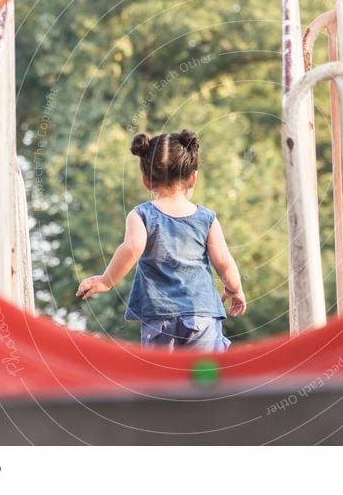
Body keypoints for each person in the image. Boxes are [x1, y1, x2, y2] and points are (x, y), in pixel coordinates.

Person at [76, 129, 246, 352]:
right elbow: (223, 261)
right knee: (205, 379)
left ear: (146, 180)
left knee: (163, 381)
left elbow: (132, 248)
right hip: (201, 314)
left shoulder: (141, 215)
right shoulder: (207, 218)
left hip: (159, 317)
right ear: (193, 177)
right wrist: (234, 289)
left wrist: (106, 281)